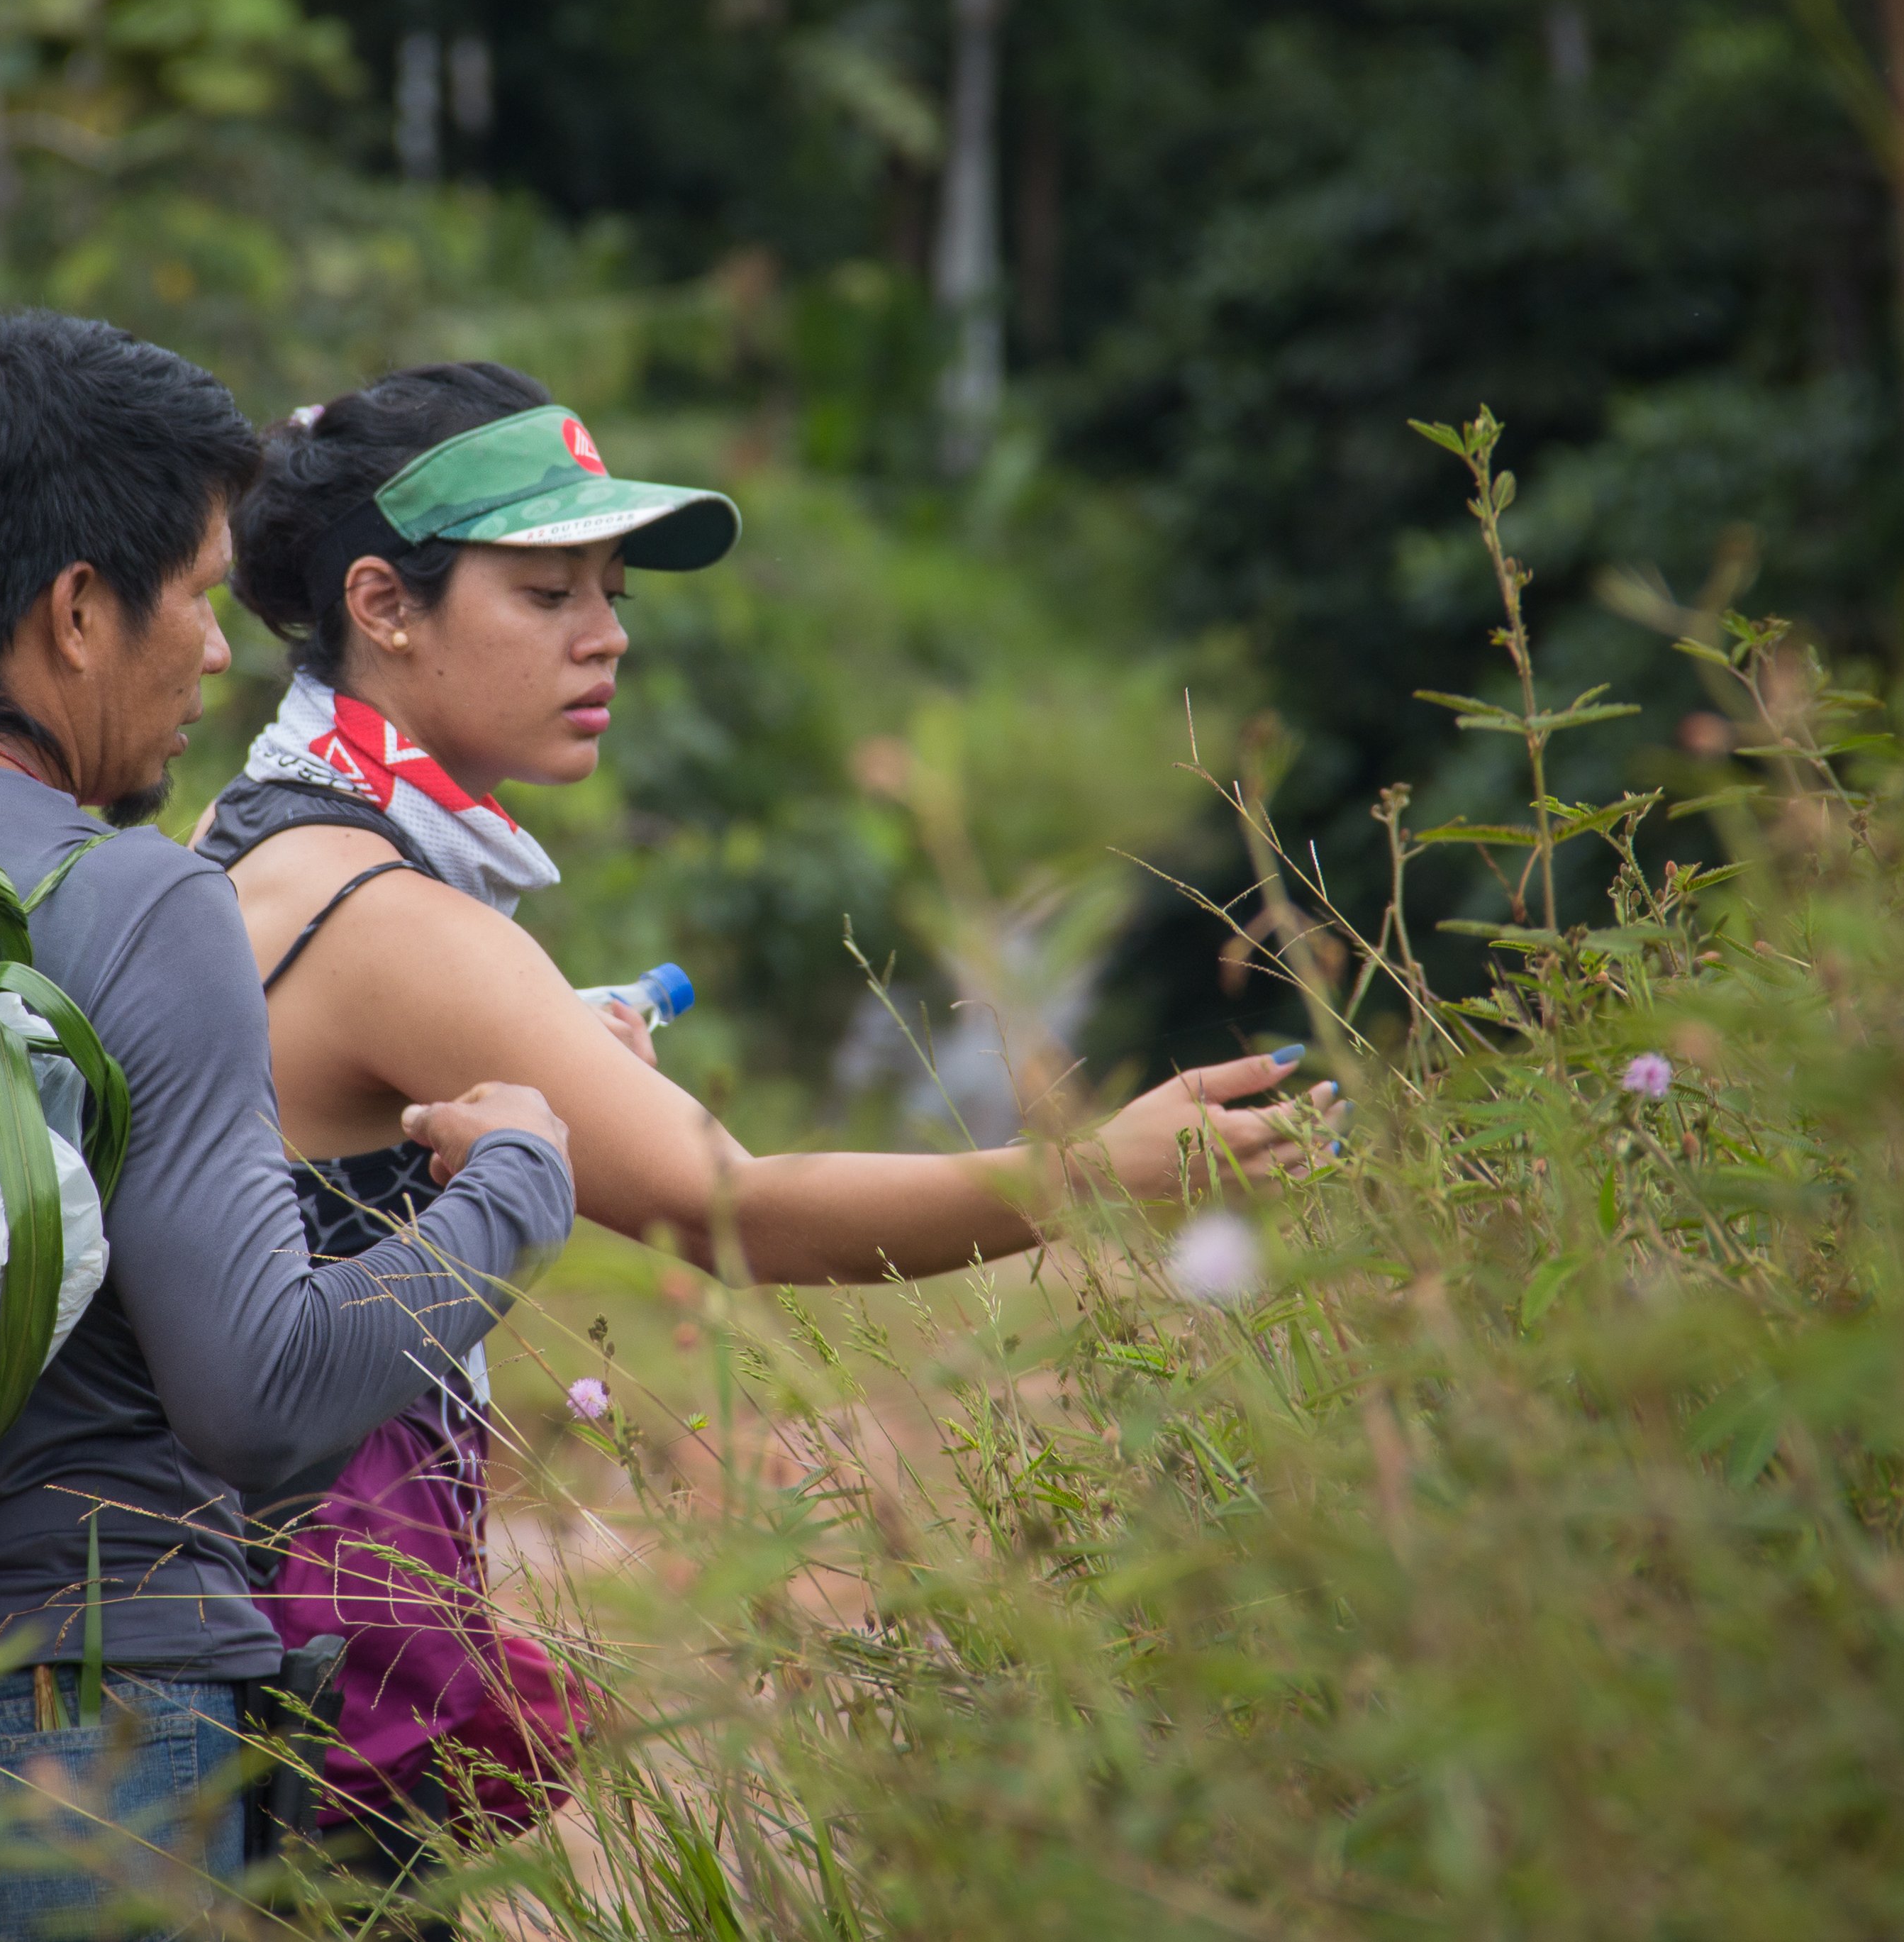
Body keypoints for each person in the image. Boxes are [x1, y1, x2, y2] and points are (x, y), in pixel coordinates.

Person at [190, 361, 1332, 1860]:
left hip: (228, 1636)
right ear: (383, 606)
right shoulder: (383, 911)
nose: (605, 636)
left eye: (609, 590)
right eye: (543, 593)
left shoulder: (258, 835)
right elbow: (737, 1213)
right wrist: (1094, 1171)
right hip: (306, 1654)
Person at [0, 314, 579, 1942]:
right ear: (78, 613)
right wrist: (514, 1186)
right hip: (75, 1761)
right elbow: (263, 1398)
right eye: (198, 597)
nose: (217, 652)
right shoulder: (134, 903)